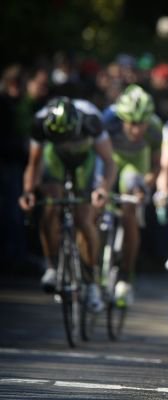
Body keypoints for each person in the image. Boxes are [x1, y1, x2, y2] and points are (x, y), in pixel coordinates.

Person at [19, 96, 116, 311]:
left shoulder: (91, 120)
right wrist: (28, 192)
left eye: (68, 137)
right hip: (55, 160)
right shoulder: (40, 123)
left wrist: (102, 190)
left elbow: (109, 162)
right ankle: (52, 266)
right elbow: (34, 165)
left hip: (86, 159)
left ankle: (91, 282)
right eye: (58, 137)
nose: (64, 141)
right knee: (51, 203)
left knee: (84, 218)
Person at [102, 84, 162, 305]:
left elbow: (156, 166)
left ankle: (126, 276)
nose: (137, 130)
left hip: (136, 166)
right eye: (132, 124)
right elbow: (96, 156)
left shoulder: (155, 128)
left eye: (141, 124)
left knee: (130, 213)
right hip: (109, 160)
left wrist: (145, 186)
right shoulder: (107, 120)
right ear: (122, 118)